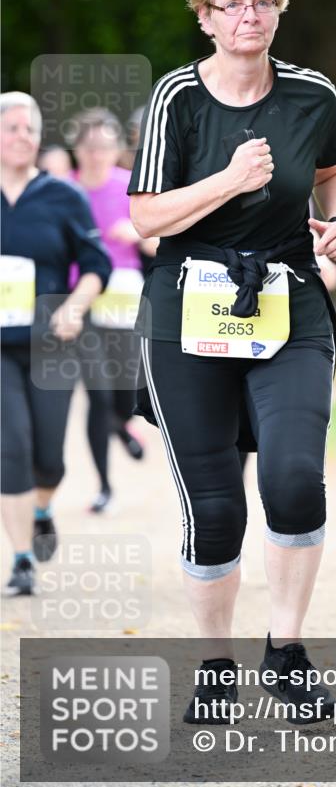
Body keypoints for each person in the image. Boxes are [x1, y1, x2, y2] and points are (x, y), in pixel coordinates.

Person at [127, 0, 336, 721]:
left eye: (263, 2)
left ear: (279, 9)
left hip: (288, 301)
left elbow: (330, 170)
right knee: (216, 506)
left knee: (293, 479)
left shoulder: (310, 95)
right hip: (186, 309)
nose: (249, 16)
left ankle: (286, 655)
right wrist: (228, 178)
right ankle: (215, 666)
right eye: (232, 4)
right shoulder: (176, 99)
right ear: (205, 16)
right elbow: (145, 216)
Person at [1, 92, 111, 595]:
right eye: (12, 127)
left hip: (52, 342)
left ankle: (43, 507)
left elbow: (96, 264)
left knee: (50, 457)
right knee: (12, 446)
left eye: (30, 128)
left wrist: (75, 305)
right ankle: (22, 558)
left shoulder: (63, 196)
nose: (23, 136)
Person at [68, 108, 158, 512]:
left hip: (124, 296)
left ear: (116, 149)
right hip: (80, 300)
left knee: (124, 394)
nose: (97, 154)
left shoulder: (130, 188)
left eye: (105, 146)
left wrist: (137, 235)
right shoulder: (63, 191)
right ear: (78, 148)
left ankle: (124, 426)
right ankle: (104, 486)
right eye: (90, 146)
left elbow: (161, 244)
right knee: (98, 394)